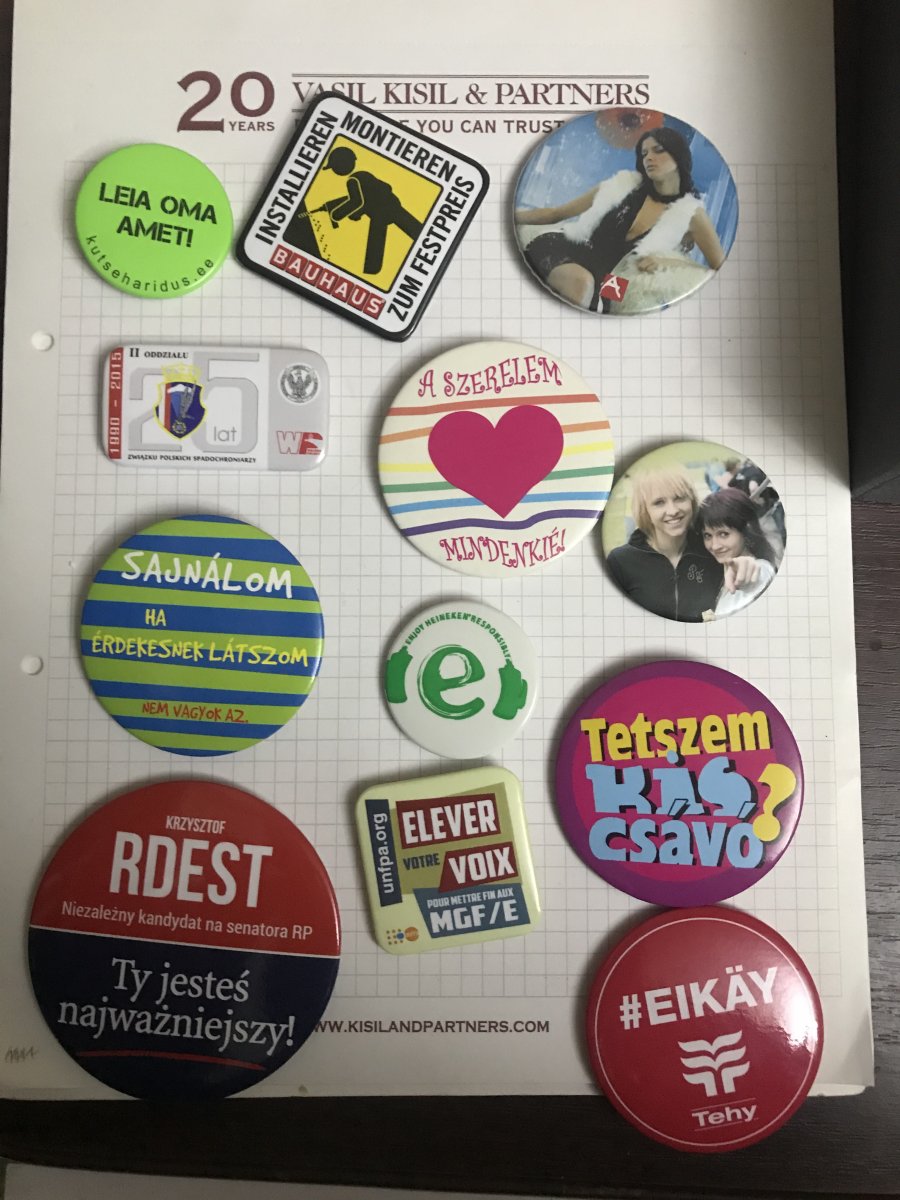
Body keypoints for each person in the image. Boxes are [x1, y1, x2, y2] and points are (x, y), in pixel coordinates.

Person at [514, 127, 726, 312]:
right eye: (644, 153)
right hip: (568, 249)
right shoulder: (621, 186)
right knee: (582, 282)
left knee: (601, 297)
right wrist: (509, 216)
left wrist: (667, 262)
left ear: (678, 156)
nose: (648, 158)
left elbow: (719, 268)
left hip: (611, 281)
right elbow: (555, 214)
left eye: (658, 150)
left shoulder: (691, 214)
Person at [606, 469, 761, 623]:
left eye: (679, 498)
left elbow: (739, 564)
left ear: (692, 501)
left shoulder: (712, 550)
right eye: (659, 502)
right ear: (645, 510)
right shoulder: (621, 561)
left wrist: (745, 562)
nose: (673, 510)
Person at [313, 146, 423, 276]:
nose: (335, 171)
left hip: (380, 213)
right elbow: (376, 193)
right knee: (417, 231)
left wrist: (336, 215)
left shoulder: (352, 180)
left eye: (335, 167)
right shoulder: (364, 175)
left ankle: (371, 271)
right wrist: (357, 212)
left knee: (375, 244)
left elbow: (356, 202)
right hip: (393, 205)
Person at [696, 487, 779, 620]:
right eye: (708, 535)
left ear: (746, 531)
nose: (714, 546)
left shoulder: (761, 569)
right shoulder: (718, 573)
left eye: (723, 534)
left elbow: (756, 576)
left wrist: (746, 572)